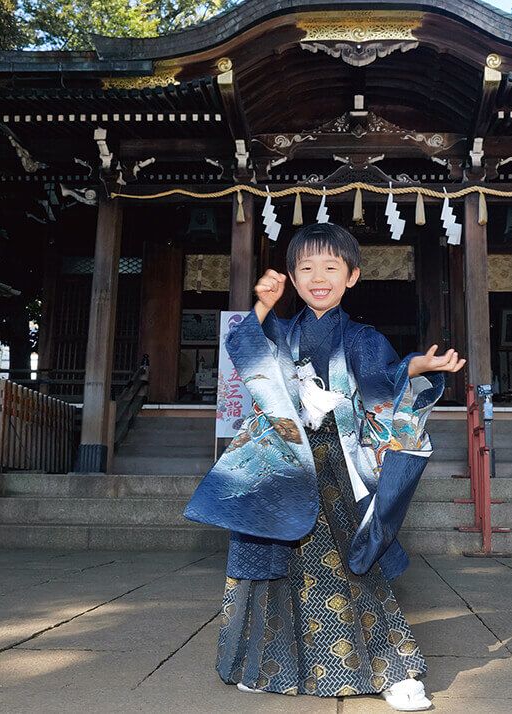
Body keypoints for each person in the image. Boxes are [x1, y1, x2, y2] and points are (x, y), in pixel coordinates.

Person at [184, 223, 465, 711]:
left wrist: (415, 368)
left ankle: (393, 669)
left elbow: (382, 386)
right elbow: (246, 354)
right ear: (292, 278)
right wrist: (264, 305)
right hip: (283, 464)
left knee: (355, 562)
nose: (319, 277)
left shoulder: (363, 337)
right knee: (275, 569)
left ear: (352, 276)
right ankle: (268, 665)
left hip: (340, 464)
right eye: (306, 268)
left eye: (331, 267)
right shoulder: (280, 330)